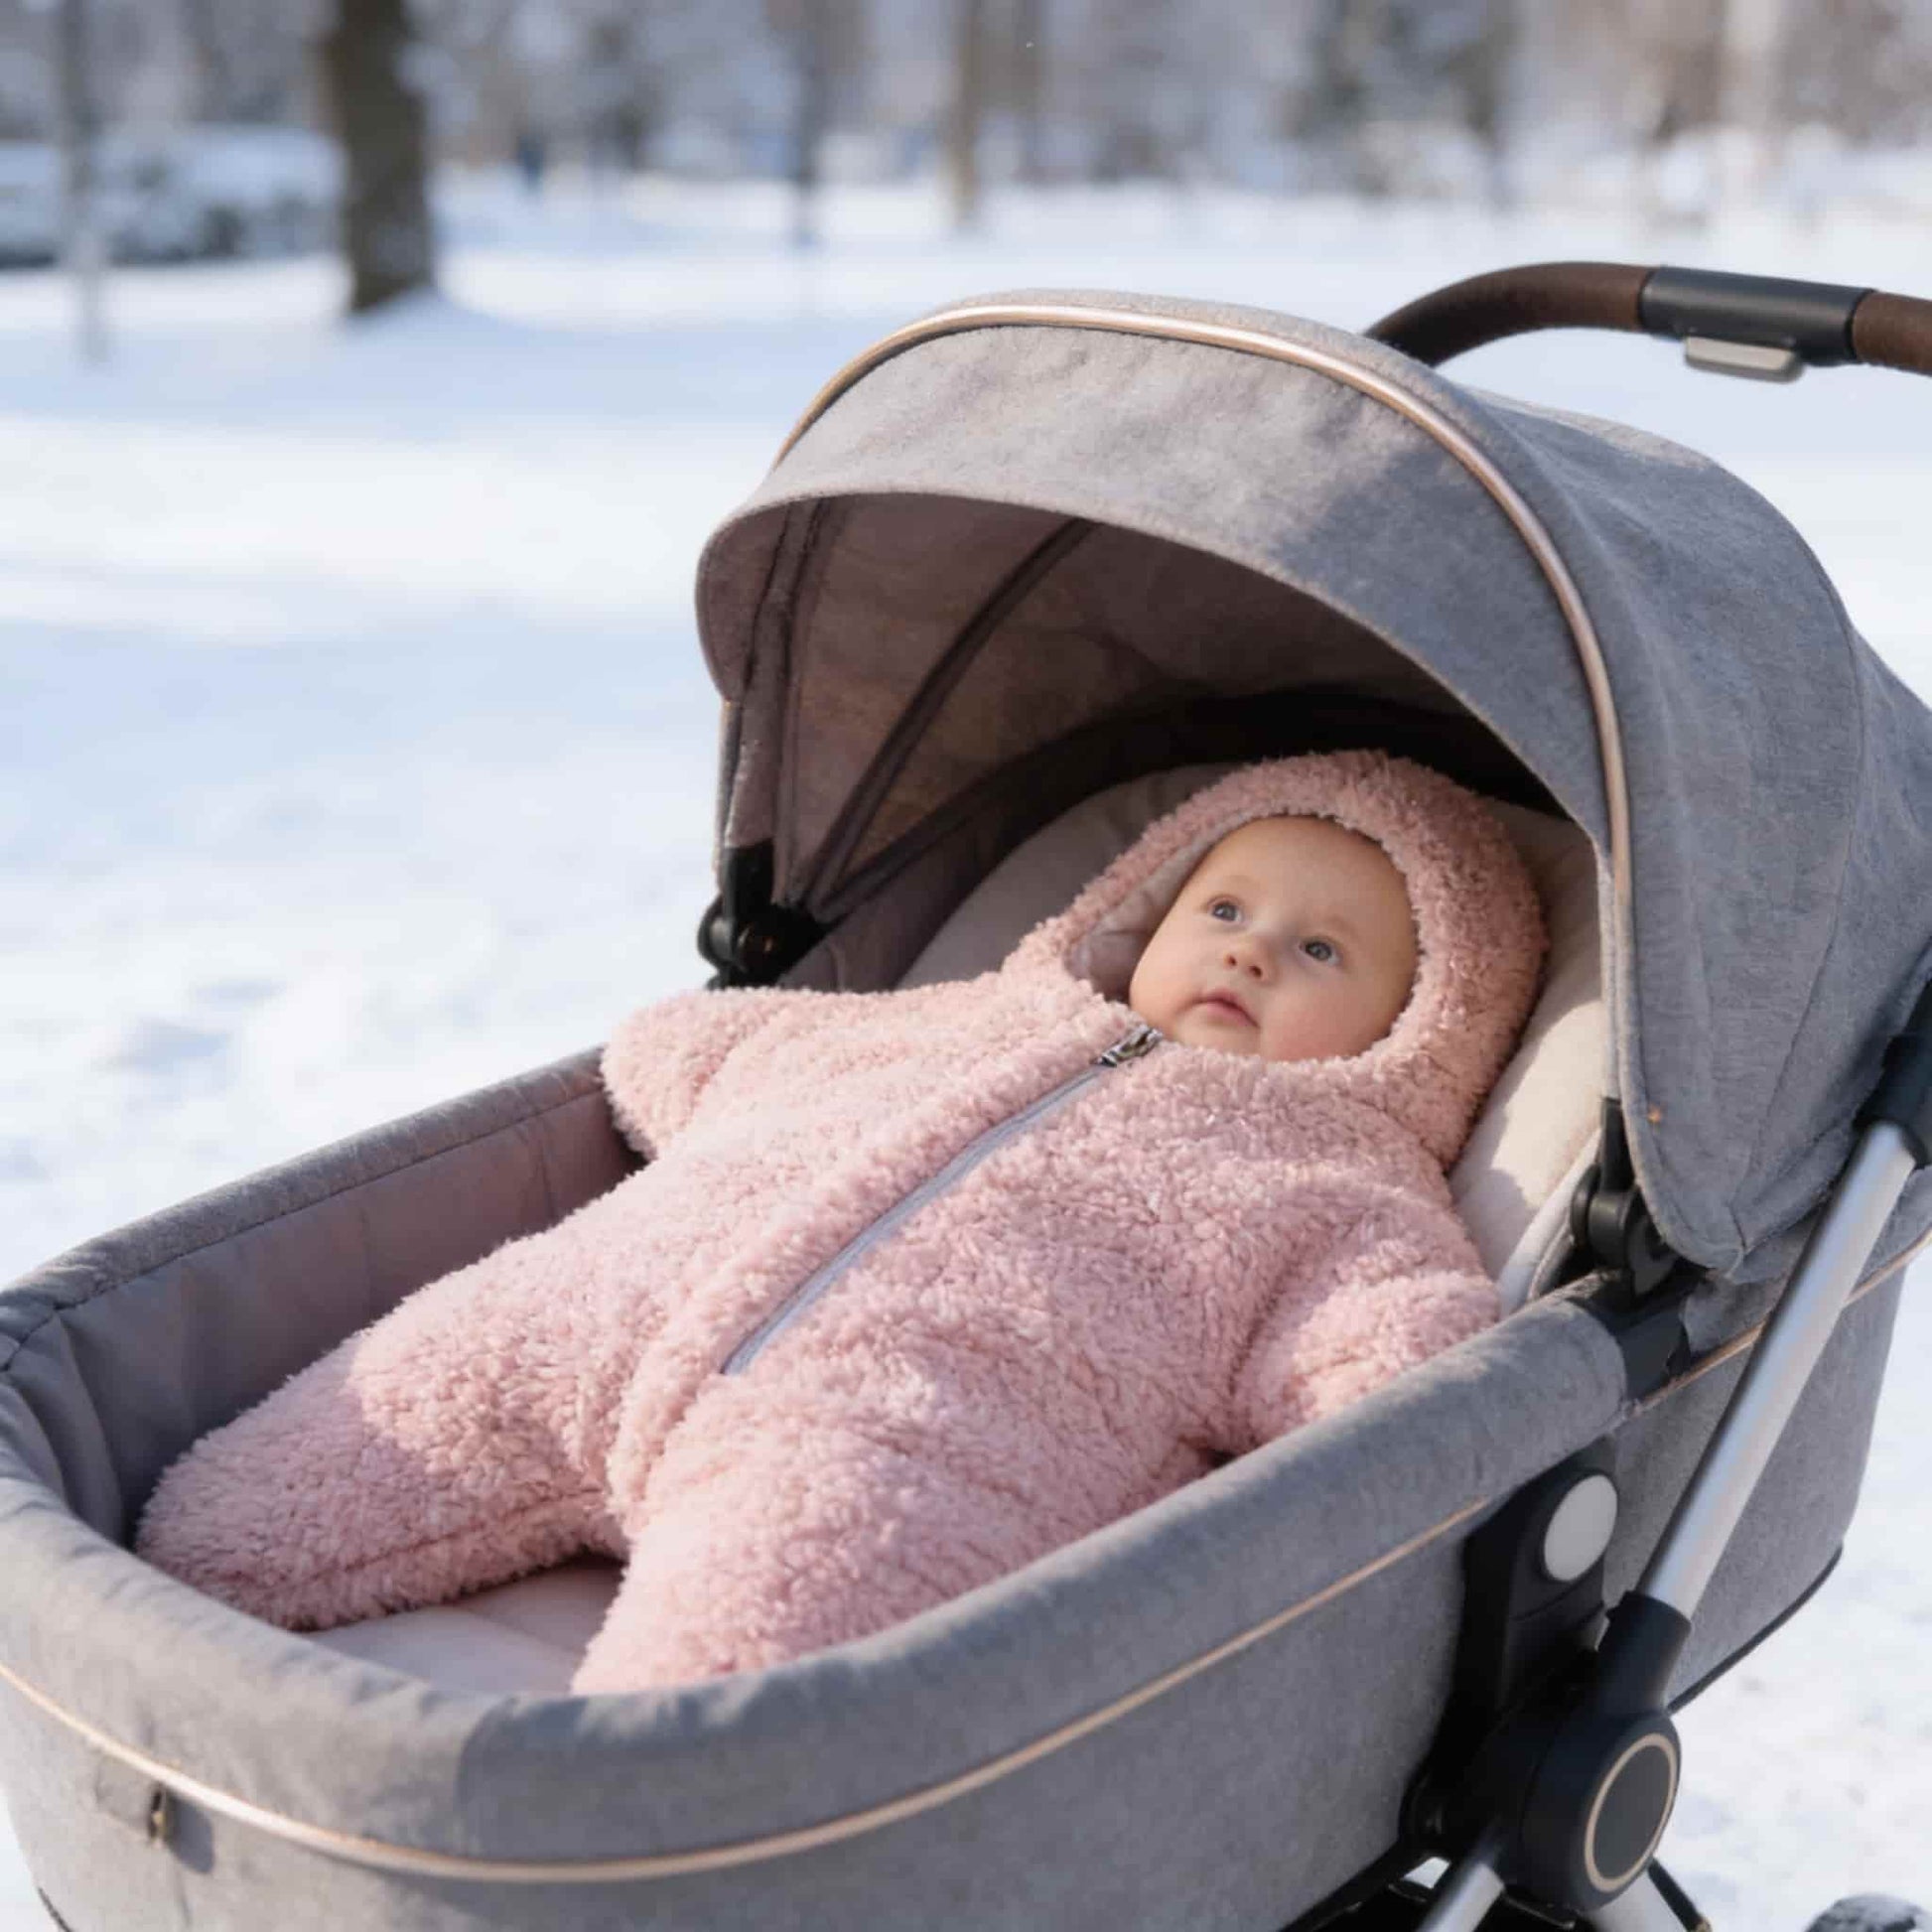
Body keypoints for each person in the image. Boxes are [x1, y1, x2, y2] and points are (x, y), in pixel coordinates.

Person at [136, 752, 1545, 1694]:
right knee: (226, 1525)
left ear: (1428, 1020)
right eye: (1224, 905)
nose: (1249, 948)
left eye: (1320, 949)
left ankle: (639, 1832)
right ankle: (186, 1604)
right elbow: (696, 1050)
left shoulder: (1336, 1186)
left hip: (884, 1441)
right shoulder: (955, 1014)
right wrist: (689, 1047)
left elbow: (1401, 1359)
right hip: (586, 1317)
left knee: (734, 1710)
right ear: (1149, 911)